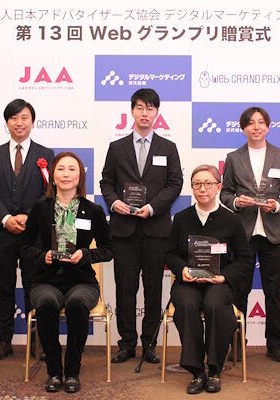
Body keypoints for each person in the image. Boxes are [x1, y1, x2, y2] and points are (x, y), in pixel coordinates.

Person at [100, 88, 183, 364]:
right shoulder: (117, 147)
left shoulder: (168, 148)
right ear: (132, 111)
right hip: (124, 230)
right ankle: (126, 343)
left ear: (157, 112)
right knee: (125, 288)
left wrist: (153, 207)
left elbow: (175, 184)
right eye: (139, 108)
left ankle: (149, 344)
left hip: (156, 230)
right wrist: (114, 203)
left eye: (149, 108)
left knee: (153, 288)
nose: (144, 113)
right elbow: (106, 182)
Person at [21, 152, 113, 393]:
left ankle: (72, 371)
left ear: (80, 176)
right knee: (46, 303)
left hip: (82, 281)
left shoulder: (93, 210)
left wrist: (86, 254)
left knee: (76, 304)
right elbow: (24, 247)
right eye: (61, 169)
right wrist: (43, 256)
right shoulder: (40, 209)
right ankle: (54, 370)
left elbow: (108, 250)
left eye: (72, 169)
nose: (66, 174)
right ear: (52, 176)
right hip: (46, 279)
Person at [166, 165, 253, 394]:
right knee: (186, 303)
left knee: (215, 304)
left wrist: (225, 276)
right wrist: (182, 269)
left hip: (219, 282)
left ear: (218, 187)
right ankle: (196, 371)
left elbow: (245, 259)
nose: (202, 189)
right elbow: (170, 254)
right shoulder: (181, 218)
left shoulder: (232, 220)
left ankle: (214, 369)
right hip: (189, 281)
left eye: (208, 183)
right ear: (192, 188)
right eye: (197, 184)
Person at [220, 106, 280, 362]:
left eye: (261, 122)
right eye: (251, 123)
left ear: (268, 126)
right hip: (242, 233)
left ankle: (274, 344)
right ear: (243, 128)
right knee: (238, 291)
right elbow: (225, 193)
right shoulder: (234, 158)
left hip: (272, 234)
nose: (256, 127)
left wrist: (277, 205)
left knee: (273, 293)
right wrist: (236, 202)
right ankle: (236, 343)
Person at [0, 99, 54, 358]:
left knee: (35, 285)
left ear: (32, 122)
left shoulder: (46, 154)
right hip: (3, 233)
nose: (19, 123)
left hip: (34, 234)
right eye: (14, 118)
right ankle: (5, 340)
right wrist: (5, 218)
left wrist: (28, 217)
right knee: (5, 286)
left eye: (24, 118)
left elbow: (49, 192)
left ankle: (37, 342)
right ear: (7, 123)